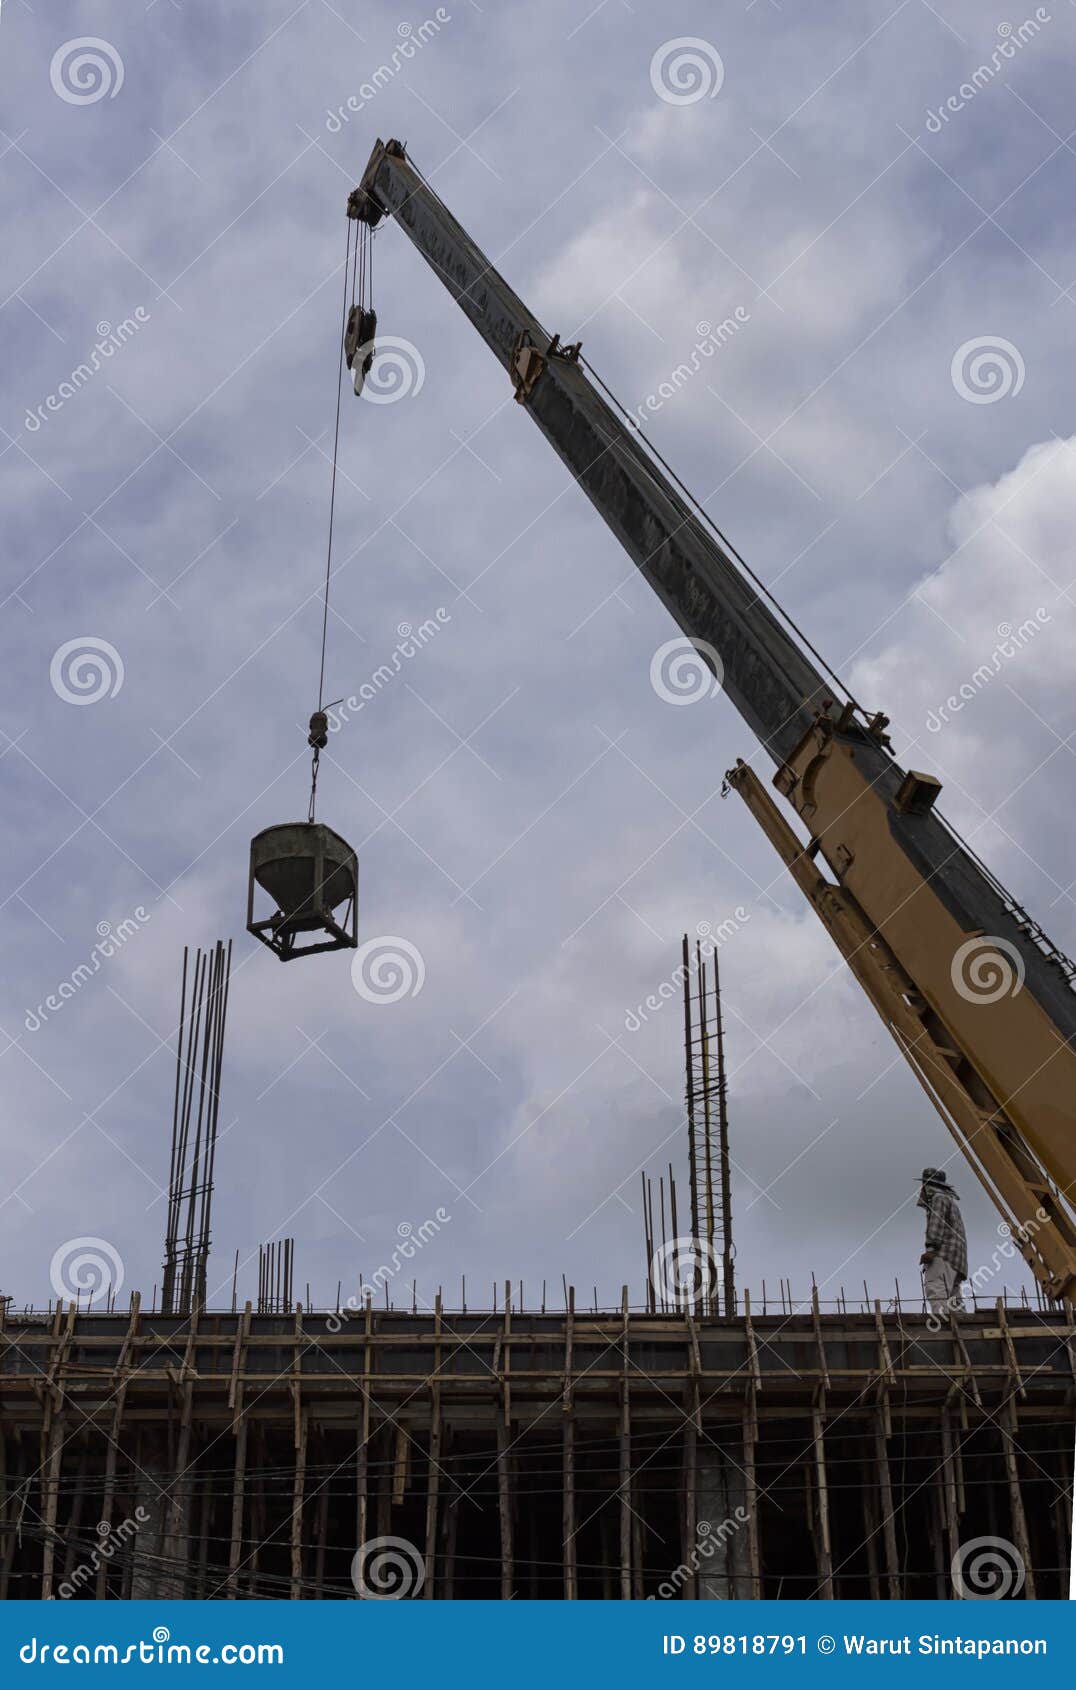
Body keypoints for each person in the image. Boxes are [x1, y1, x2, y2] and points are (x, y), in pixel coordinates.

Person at [918, 1167, 968, 1315]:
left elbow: (936, 1225)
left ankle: (941, 1323)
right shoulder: (949, 1200)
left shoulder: (938, 1198)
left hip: (944, 1255)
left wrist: (931, 1251)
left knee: (935, 1287)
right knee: (953, 1297)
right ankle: (962, 1325)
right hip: (957, 1260)